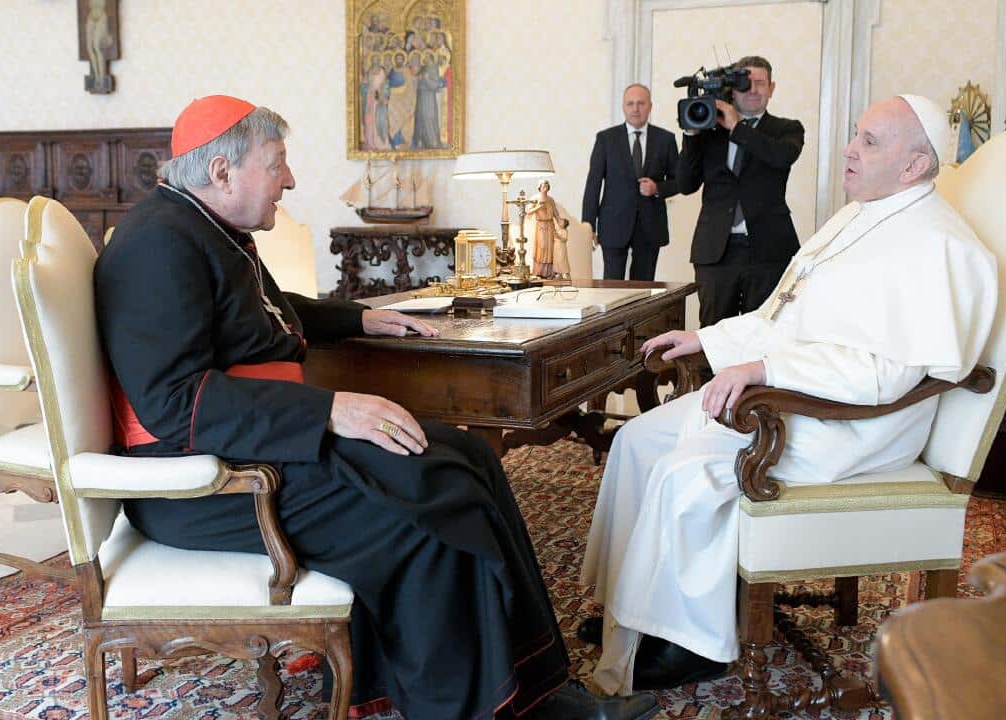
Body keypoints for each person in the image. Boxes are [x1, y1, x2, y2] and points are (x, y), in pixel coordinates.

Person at [95, 95, 659, 720]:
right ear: (222, 172)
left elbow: (272, 318)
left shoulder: (208, 229)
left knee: (470, 455)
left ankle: (540, 684)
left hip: (251, 443)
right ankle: (480, 707)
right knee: (433, 504)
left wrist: (361, 316)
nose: (291, 179)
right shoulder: (156, 245)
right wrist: (330, 411)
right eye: (277, 162)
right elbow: (177, 404)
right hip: (202, 485)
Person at [577, 94, 999, 695]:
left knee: (684, 473)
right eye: (855, 134)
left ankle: (685, 643)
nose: (849, 150)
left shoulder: (939, 245)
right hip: (802, 390)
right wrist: (707, 338)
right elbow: (785, 316)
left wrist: (763, 369)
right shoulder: (858, 215)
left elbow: (888, 375)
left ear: (914, 166)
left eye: (869, 142)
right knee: (637, 440)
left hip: (856, 423)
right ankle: (631, 610)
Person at [679, 56, 805, 328]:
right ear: (731, 89)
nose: (753, 89)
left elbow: (781, 157)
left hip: (768, 252)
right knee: (712, 335)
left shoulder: (787, 129)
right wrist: (690, 135)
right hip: (716, 252)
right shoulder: (709, 132)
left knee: (761, 334)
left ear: (772, 88)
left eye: (760, 83)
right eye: (745, 83)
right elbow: (686, 184)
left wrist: (737, 126)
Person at [581, 84, 682, 281]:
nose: (636, 108)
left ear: (650, 106)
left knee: (643, 288)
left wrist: (657, 188)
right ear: (624, 107)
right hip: (613, 224)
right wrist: (588, 226)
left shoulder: (666, 139)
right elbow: (593, 184)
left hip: (650, 225)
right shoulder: (606, 139)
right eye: (630, 103)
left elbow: (680, 181)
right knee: (611, 287)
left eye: (641, 103)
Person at [525, 180, 569, 279]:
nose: (546, 187)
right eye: (544, 185)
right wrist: (538, 207)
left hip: (550, 225)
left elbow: (556, 213)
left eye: (547, 185)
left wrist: (561, 224)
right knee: (542, 246)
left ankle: (550, 272)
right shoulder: (535, 198)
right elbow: (528, 211)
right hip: (541, 225)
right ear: (539, 187)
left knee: (550, 248)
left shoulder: (550, 199)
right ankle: (539, 271)